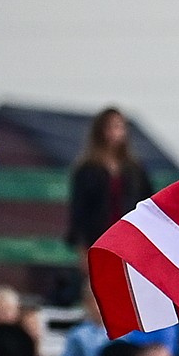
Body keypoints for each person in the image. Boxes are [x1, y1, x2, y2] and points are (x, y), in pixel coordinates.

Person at [66, 106, 152, 254]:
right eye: (109, 127)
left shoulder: (133, 168)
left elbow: (146, 199)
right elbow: (80, 208)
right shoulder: (88, 168)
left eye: (118, 126)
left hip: (129, 236)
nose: (114, 132)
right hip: (99, 236)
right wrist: (82, 243)